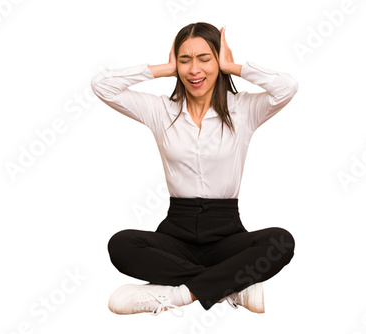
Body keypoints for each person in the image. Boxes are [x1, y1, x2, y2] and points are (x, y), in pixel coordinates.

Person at [90, 22, 298, 317]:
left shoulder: (244, 110)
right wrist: (163, 68)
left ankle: (180, 295)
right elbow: (102, 86)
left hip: (227, 234)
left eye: (204, 58)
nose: (193, 70)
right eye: (185, 59)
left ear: (218, 61)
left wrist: (233, 65)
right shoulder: (161, 111)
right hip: (177, 234)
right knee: (121, 244)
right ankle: (232, 285)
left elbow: (286, 88)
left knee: (280, 242)